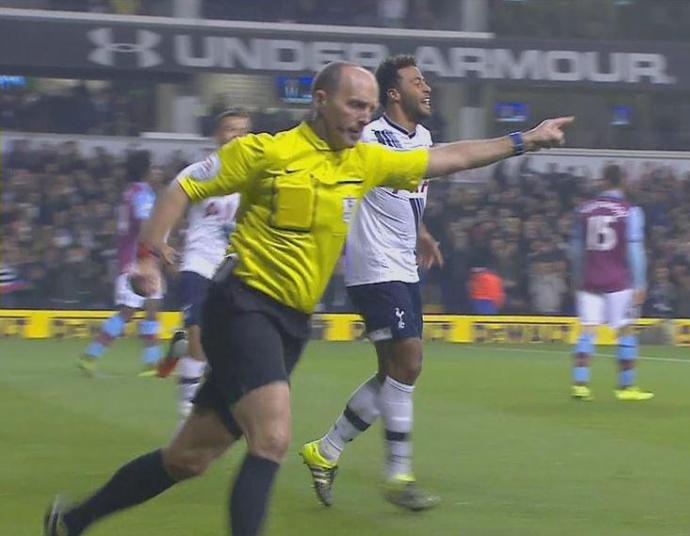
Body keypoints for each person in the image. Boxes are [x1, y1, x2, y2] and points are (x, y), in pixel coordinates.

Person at [43, 61, 573, 536]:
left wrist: (525, 140)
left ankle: (73, 522)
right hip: (244, 305)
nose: (363, 117)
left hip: (291, 323)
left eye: (368, 107)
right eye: (353, 104)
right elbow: (184, 185)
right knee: (272, 440)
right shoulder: (267, 151)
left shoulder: (364, 161)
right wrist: (147, 252)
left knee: (188, 458)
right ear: (320, 101)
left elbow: (448, 158)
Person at [299, 55, 443, 511]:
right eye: (417, 82)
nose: (427, 89)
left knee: (393, 373)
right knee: (411, 361)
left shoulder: (423, 138)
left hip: (403, 265)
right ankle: (398, 475)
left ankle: (326, 451)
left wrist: (421, 233)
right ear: (394, 93)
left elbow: (403, 193)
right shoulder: (367, 135)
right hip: (373, 266)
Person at [156, 109, 252, 424]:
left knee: (225, 343)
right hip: (198, 262)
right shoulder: (199, 172)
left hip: (237, 268)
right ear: (217, 135)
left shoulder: (258, 176)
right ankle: (186, 413)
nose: (237, 135)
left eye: (242, 130)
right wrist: (163, 243)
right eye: (230, 129)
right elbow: (172, 206)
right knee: (199, 333)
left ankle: (181, 349)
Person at [568, 164, 651, 402]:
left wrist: (576, 278)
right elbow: (635, 251)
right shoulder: (630, 211)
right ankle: (627, 387)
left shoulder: (584, 210)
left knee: (588, 330)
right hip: (618, 280)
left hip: (590, 278)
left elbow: (575, 250)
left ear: (603, 181)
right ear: (622, 182)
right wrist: (641, 283)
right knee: (626, 329)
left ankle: (580, 384)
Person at [77, 150, 163, 377]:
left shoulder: (130, 193)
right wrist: (147, 258)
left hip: (135, 257)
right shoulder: (143, 195)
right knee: (128, 312)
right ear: (146, 170)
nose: (156, 171)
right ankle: (91, 355)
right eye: (153, 167)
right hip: (139, 260)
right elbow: (145, 228)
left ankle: (152, 363)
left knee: (151, 309)